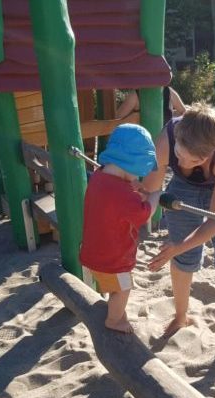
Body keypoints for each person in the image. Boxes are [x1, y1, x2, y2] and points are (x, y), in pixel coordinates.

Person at [143, 103, 215, 361]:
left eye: (195, 160)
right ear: (177, 137)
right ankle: (181, 317)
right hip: (183, 187)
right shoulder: (167, 137)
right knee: (182, 258)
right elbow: (150, 190)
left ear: (213, 150)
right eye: (179, 155)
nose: (183, 162)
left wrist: (177, 247)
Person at [80, 124, 162, 334]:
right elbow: (144, 214)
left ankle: (115, 311)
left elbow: (115, 196)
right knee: (124, 288)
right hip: (113, 261)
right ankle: (114, 320)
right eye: (137, 175)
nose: (138, 180)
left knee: (113, 286)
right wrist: (155, 195)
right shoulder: (124, 194)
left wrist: (131, 186)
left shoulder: (98, 177)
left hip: (91, 252)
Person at [115, 86, 187, 124]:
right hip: (142, 146)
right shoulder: (135, 95)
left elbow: (184, 113)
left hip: (166, 144)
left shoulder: (169, 91)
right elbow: (115, 121)